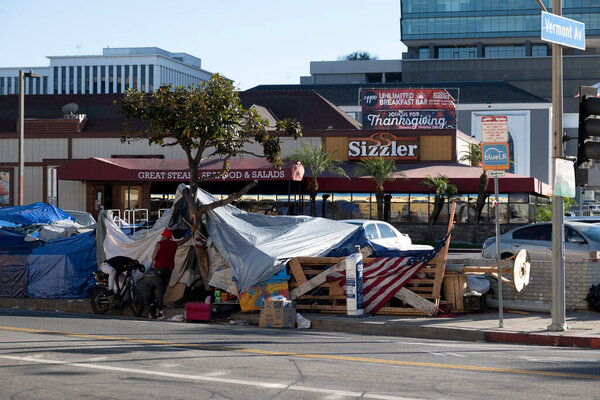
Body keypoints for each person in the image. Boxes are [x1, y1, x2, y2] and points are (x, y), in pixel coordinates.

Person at [151, 228, 178, 320]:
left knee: (159, 289)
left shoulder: (159, 244)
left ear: (165, 236)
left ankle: (161, 312)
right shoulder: (175, 244)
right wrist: (191, 232)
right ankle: (153, 306)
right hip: (169, 269)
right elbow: (184, 241)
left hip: (159, 268)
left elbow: (153, 257)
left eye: (163, 235)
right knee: (163, 290)